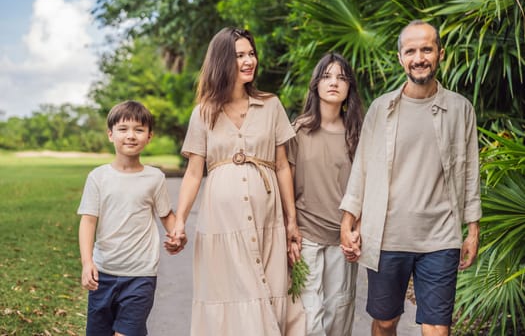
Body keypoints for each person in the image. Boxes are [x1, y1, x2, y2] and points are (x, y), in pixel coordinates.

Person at [339, 20, 482, 336]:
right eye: (411, 51)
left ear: (440, 54)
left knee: (437, 327)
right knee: (385, 322)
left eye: (427, 49)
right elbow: (362, 168)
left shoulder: (460, 109)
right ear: (401, 57)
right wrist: (347, 221)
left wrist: (472, 230)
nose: (419, 57)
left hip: (441, 237)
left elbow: (470, 171)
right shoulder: (381, 109)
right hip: (389, 236)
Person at [169, 27, 304, 336]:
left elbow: (282, 165)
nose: (249, 61)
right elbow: (193, 172)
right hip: (221, 226)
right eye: (239, 55)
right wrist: (180, 221)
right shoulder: (202, 113)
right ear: (221, 62)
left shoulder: (271, 105)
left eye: (251, 54)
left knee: (269, 294)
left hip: (267, 222)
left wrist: (291, 220)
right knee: (229, 296)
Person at [77, 100, 187, 336]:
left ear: (149, 137)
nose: (131, 136)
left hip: (141, 274)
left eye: (139, 130)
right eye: (123, 129)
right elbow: (88, 221)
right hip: (103, 273)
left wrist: (177, 234)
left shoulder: (154, 178)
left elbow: (166, 214)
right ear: (110, 134)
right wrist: (87, 263)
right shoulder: (98, 177)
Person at [287, 52, 364, 335]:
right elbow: (287, 186)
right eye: (327, 76)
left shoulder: (357, 134)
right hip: (306, 237)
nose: (334, 83)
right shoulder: (297, 130)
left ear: (349, 89)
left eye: (342, 78)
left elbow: (366, 188)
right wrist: (289, 229)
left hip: (342, 241)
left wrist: (358, 229)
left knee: (338, 316)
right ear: (316, 84)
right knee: (308, 319)